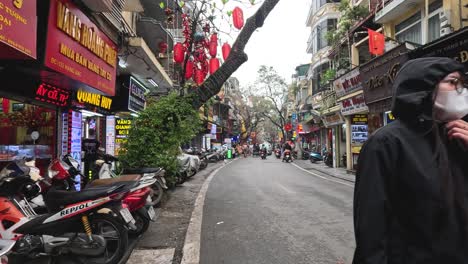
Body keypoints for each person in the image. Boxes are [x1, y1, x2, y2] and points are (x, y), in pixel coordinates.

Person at [353, 57, 468, 264]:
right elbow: (372, 232)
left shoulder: (457, 136)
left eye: (462, 84)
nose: (460, 91)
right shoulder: (386, 143)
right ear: (424, 86)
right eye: (452, 82)